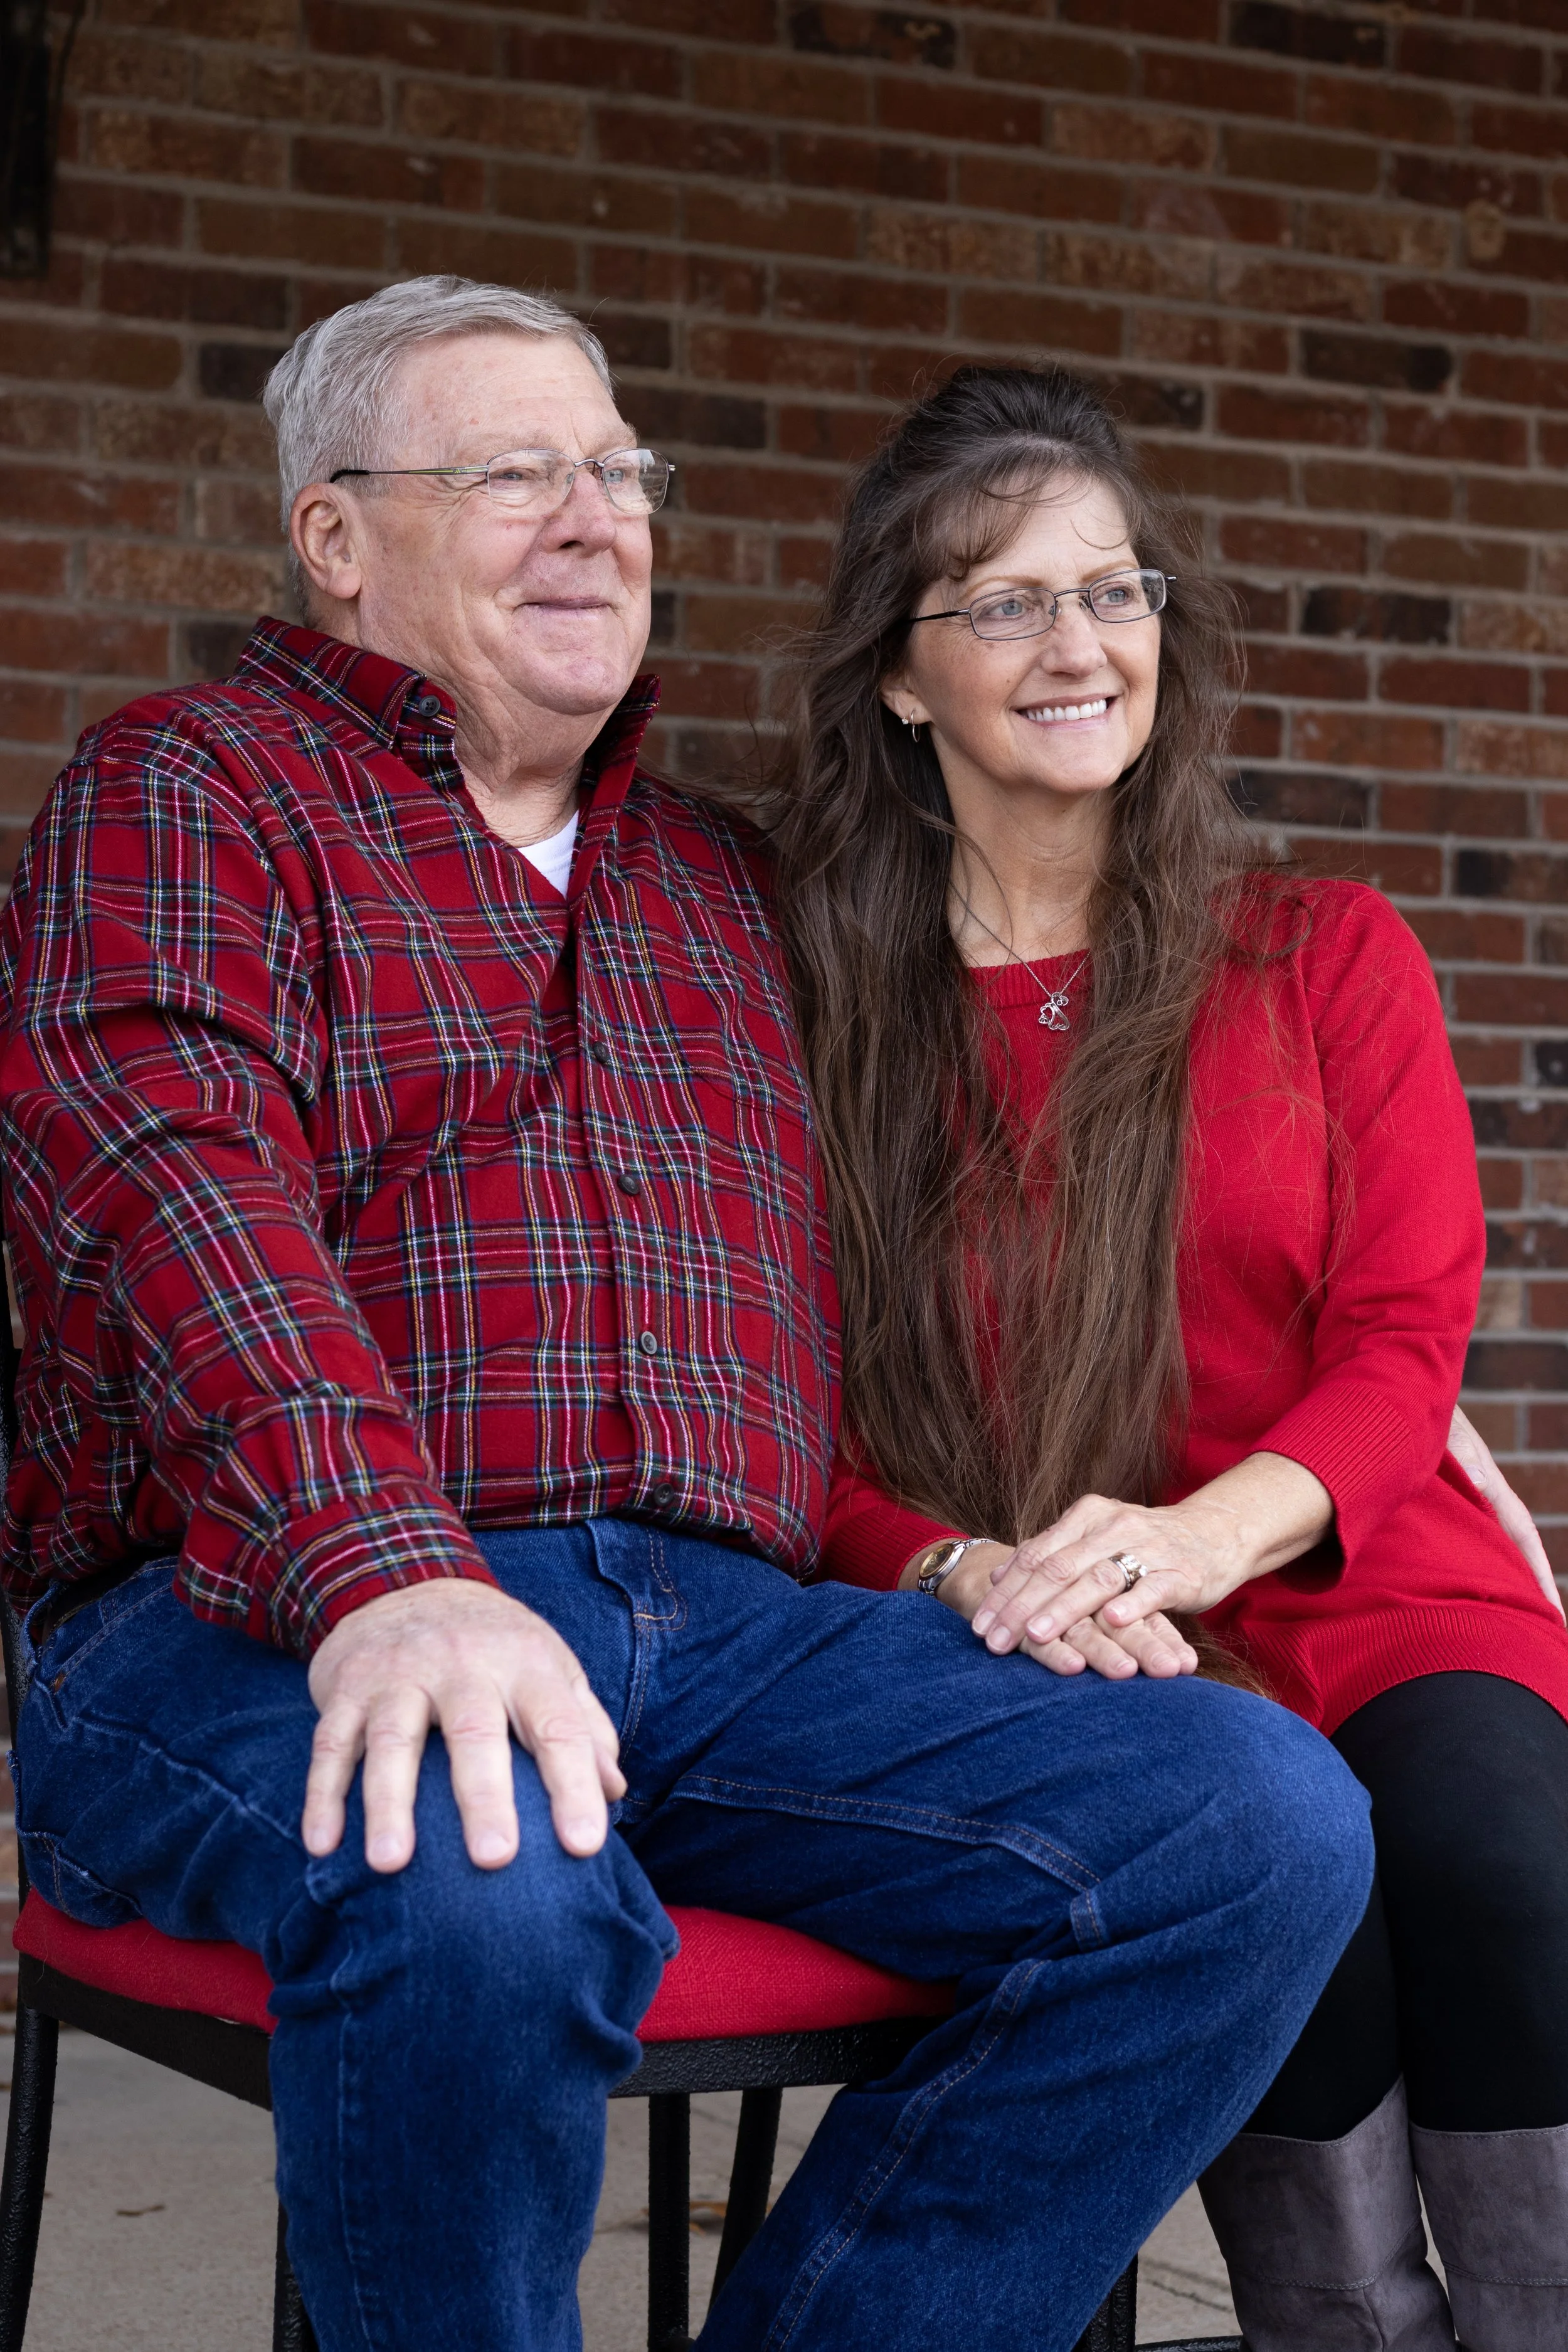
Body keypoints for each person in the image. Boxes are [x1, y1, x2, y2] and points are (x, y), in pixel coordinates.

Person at [0, 279, 1372, 2352]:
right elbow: (170, 1197)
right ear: (337, 538)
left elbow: (976, 1208)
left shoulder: (725, 886)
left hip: (719, 1635)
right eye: (508, 473)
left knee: (1246, 1824)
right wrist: (390, 1570)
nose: (590, 518)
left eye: (615, 470)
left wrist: (1321, 1413)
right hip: (236, 1616)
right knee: (473, 1850)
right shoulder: (191, 792)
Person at [773, 361, 1568, 2352]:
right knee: (1286, 1901)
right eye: (1009, 600)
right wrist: (965, 1569)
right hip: (1057, 1634)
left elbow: (1402, 1338)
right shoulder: (813, 1020)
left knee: (1495, 1858)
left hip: (1356, 1578)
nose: (1079, 642)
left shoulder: (1317, 953)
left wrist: (1203, 1533)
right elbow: (796, 1419)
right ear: (898, 673)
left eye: (1112, 589)